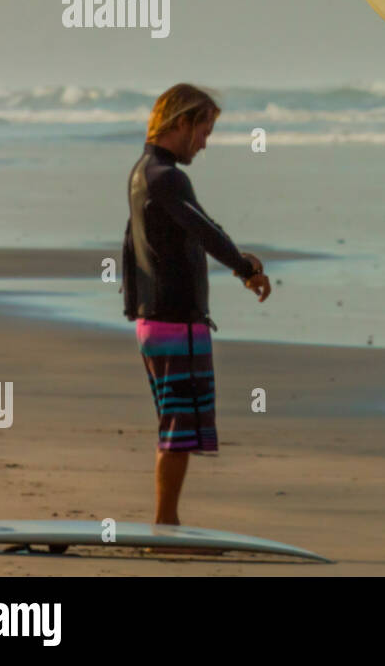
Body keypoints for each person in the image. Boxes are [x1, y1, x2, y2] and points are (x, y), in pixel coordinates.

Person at [122, 83, 272, 528]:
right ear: (182, 123)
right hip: (174, 321)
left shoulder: (143, 172)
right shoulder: (166, 176)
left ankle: (167, 522)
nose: (206, 142)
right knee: (178, 429)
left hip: (155, 319)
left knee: (176, 426)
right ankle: (165, 526)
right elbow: (205, 230)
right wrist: (245, 268)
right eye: (204, 129)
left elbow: (165, 235)